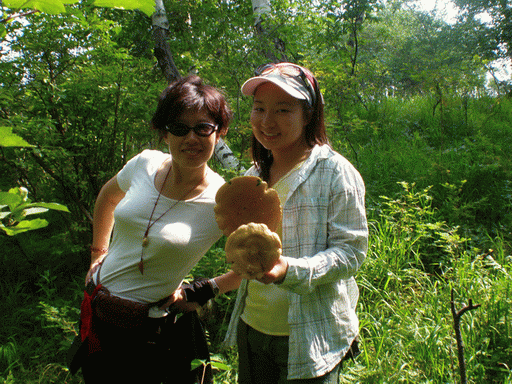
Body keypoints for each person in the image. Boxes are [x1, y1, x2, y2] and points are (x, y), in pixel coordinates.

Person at [76, 75, 241, 383]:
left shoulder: (224, 198)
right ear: (165, 133)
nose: (190, 138)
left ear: (219, 134)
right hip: (97, 311)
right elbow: (108, 197)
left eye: (203, 128)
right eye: (179, 128)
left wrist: (206, 289)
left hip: (151, 333)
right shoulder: (145, 164)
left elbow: (256, 262)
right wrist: (98, 253)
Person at [223, 63, 368, 383]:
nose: (266, 121)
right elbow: (247, 255)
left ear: (308, 114)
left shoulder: (335, 173)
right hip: (253, 327)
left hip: (310, 336)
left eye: (283, 110)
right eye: (259, 108)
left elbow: (351, 253)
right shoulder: (252, 178)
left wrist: (290, 271)